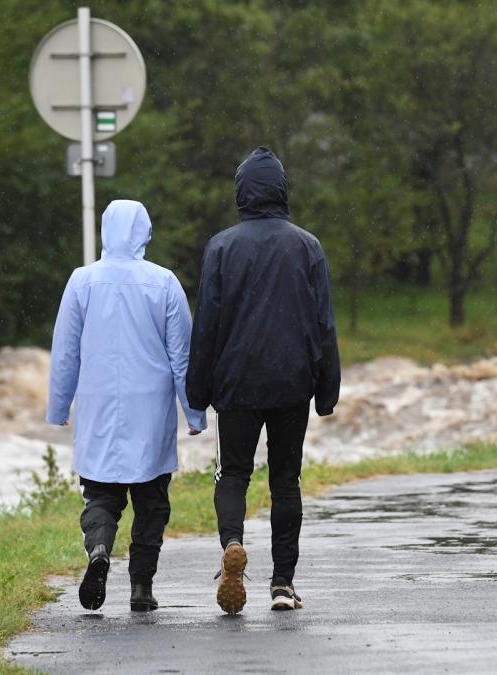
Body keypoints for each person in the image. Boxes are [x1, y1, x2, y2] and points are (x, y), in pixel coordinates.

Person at [186, 147, 340, 614]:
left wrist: (197, 390)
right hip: (291, 383)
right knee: (285, 480)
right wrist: (327, 390)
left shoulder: (221, 247)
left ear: (241, 193)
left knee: (232, 473)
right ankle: (282, 583)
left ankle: (232, 544)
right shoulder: (307, 246)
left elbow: (207, 325)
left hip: (235, 385)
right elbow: (324, 324)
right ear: (281, 191)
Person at [47, 199, 207, 613]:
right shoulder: (164, 282)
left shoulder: (81, 282)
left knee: (100, 494)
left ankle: (99, 547)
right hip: (150, 409)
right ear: (144, 233)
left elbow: (66, 353)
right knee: (151, 501)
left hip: (98, 405)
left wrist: (58, 407)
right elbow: (182, 356)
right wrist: (194, 411)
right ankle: (141, 588)